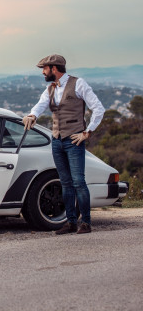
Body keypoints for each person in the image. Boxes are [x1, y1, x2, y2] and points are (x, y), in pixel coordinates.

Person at [23, 54, 105, 234]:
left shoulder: (79, 84)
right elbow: (40, 105)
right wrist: (32, 115)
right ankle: (71, 222)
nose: (43, 72)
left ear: (54, 69)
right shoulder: (50, 89)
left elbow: (98, 109)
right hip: (57, 140)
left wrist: (87, 132)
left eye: (44, 68)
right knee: (65, 183)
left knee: (78, 182)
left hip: (74, 140)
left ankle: (86, 223)